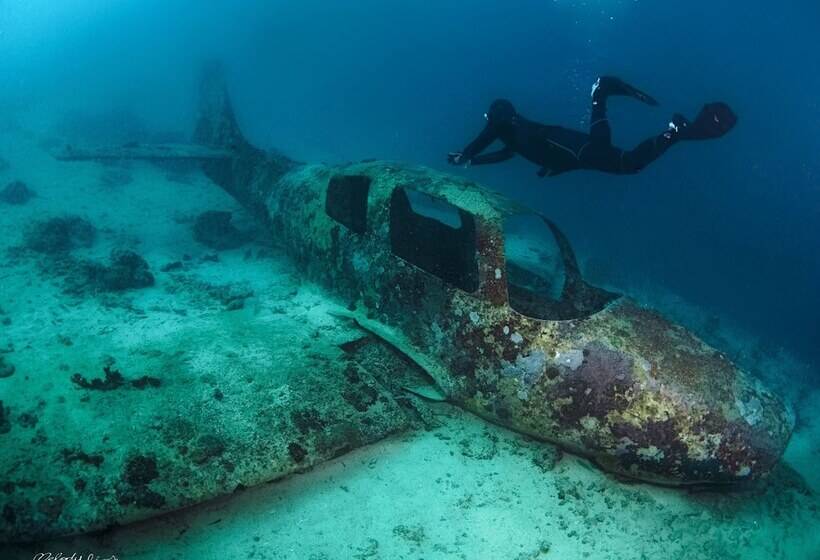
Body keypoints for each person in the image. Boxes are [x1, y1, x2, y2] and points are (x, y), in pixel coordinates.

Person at [448, 76, 736, 177]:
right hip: (566, 151)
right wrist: (473, 163)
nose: (488, 123)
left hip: (565, 145)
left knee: (628, 164)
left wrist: (467, 152)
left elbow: (491, 131)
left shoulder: (504, 122)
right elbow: (507, 154)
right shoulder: (511, 133)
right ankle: (600, 94)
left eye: (489, 118)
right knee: (609, 150)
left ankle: (673, 130)